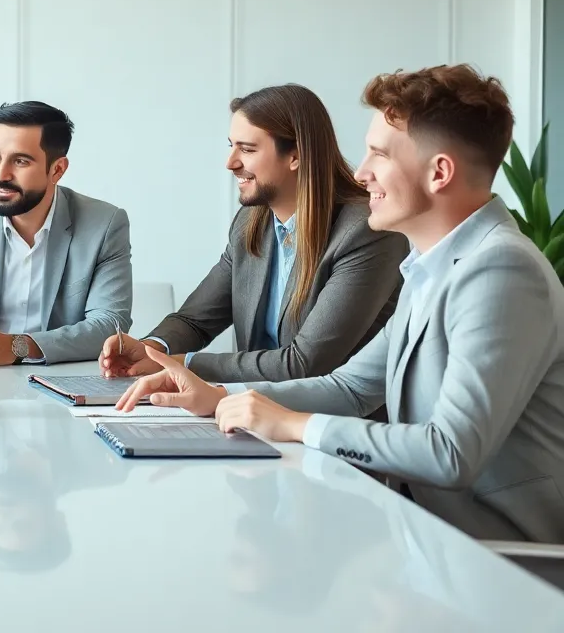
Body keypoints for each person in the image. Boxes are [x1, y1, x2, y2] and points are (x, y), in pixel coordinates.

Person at [116, 64, 564, 543]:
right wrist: (221, 398)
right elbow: (351, 388)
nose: (360, 171)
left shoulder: (500, 270)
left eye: (379, 154)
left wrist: (294, 424)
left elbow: (449, 453)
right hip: (427, 536)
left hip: (501, 555)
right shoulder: (430, 263)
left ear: (439, 172)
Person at [100, 84, 408, 384]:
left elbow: (304, 363)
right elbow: (195, 320)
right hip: (249, 415)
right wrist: (152, 349)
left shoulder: (367, 232)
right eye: (231, 146)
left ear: (295, 156)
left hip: (327, 426)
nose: (231, 163)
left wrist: (183, 364)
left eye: (247, 149)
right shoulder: (251, 222)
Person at [0, 101, 131, 366]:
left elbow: (110, 324)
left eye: (20, 161)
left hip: (58, 378)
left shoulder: (103, 224)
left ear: (57, 169)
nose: (1, 174)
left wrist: (16, 347)